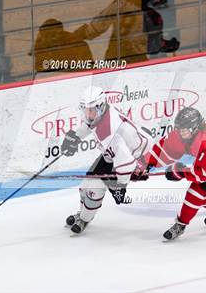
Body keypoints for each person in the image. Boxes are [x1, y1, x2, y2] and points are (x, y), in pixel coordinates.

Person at [134, 107, 206, 240]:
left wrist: (180, 172)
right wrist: (145, 164)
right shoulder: (183, 134)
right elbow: (166, 148)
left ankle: (180, 225)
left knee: (197, 192)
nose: (179, 133)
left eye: (183, 130)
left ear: (194, 128)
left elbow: (202, 174)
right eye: (178, 129)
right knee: (203, 192)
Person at [61, 85, 152, 234]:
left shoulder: (111, 133)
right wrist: (76, 137)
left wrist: (121, 186)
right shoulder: (100, 114)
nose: (88, 114)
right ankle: (82, 213)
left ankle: (84, 218)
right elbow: (89, 124)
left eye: (91, 110)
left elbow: (126, 163)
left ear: (101, 106)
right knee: (86, 184)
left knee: (95, 187)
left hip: (138, 158)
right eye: (86, 110)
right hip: (118, 154)